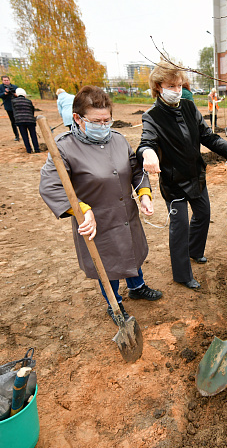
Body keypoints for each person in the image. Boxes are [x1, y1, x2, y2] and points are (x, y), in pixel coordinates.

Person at [39, 86, 163, 320]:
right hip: (96, 220)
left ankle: (137, 287)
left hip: (126, 213)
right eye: (97, 121)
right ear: (77, 118)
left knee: (133, 252)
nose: (104, 125)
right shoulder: (63, 147)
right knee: (108, 263)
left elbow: (136, 169)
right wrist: (82, 210)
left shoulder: (118, 139)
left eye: (108, 120)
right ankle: (114, 303)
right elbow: (50, 186)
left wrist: (144, 194)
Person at [138, 61, 227, 289]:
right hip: (173, 182)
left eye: (179, 85)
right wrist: (148, 153)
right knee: (179, 227)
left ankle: (195, 250)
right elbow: (146, 142)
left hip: (196, 175)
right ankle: (182, 274)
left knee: (203, 214)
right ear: (159, 86)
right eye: (172, 85)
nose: (177, 90)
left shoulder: (189, 107)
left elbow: (207, 136)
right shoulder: (152, 116)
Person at [11, 88, 40, 154]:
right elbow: (32, 110)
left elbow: (14, 112)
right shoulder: (28, 101)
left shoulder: (13, 101)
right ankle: (37, 149)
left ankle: (28, 150)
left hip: (20, 121)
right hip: (30, 120)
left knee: (25, 136)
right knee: (33, 135)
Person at [0, 75, 19, 141]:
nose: (6, 81)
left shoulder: (15, 86)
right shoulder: (0, 87)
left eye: (7, 80)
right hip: (8, 106)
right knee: (13, 121)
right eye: (5, 80)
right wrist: (5, 93)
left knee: (19, 120)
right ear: (2, 81)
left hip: (16, 105)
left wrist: (15, 94)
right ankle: (16, 135)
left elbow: (19, 95)